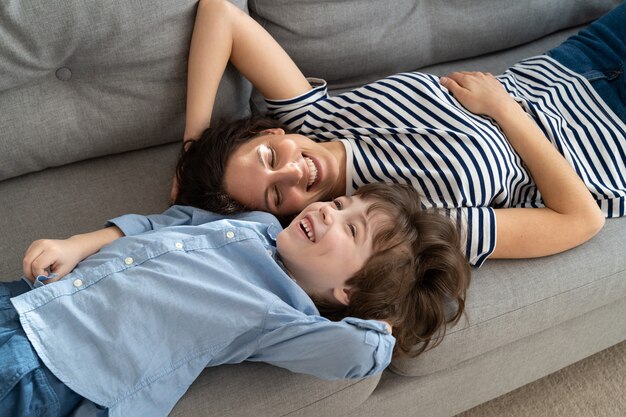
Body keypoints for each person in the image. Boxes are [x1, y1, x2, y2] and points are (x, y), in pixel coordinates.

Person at [177, 0, 626, 266]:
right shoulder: (392, 223)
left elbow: (221, 14)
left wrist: (191, 150)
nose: (294, 172)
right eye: (277, 196)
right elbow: (581, 220)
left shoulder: (314, 119)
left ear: (271, 131)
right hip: (611, 142)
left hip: (580, 60)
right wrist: (505, 111)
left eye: (270, 158)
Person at [1, 182, 471, 417]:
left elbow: (361, 352)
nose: (329, 208)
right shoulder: (259, 224)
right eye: (343, 202)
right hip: (33, 299)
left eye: (351, 228)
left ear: (348, 291)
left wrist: (386, 311)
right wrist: (78, 244)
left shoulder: (282, 316)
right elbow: (169, 221)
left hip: (57, 366)